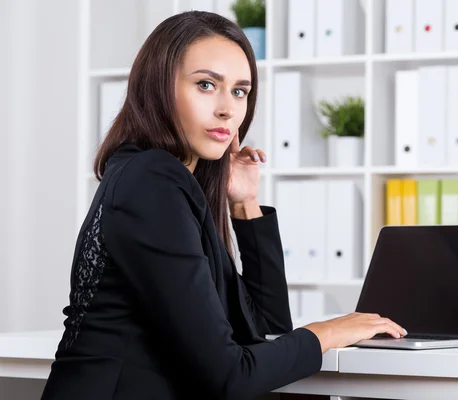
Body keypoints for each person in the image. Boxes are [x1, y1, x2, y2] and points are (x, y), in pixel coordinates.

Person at [41, 10, 406, 400]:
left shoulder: (165, 182)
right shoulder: (151, 179)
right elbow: (229, 375)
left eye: (239, 91)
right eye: (205, 85)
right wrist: (328, 332)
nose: (227, 110)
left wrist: (246, 203)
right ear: (158, 88)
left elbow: (264, 328)